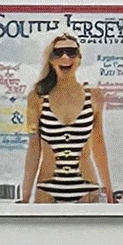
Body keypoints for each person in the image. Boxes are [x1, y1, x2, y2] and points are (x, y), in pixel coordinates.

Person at [19, 33, 113, 204]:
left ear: (79, 58)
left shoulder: (94, 96)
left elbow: (99, 144)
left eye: (71, 52)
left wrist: (109, 191)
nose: (65, 57)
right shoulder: (37, 97)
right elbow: (33, 147)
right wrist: (25, 197)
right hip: (47, 190)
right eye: (58, 52)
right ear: (51, 59)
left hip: (87, 189)